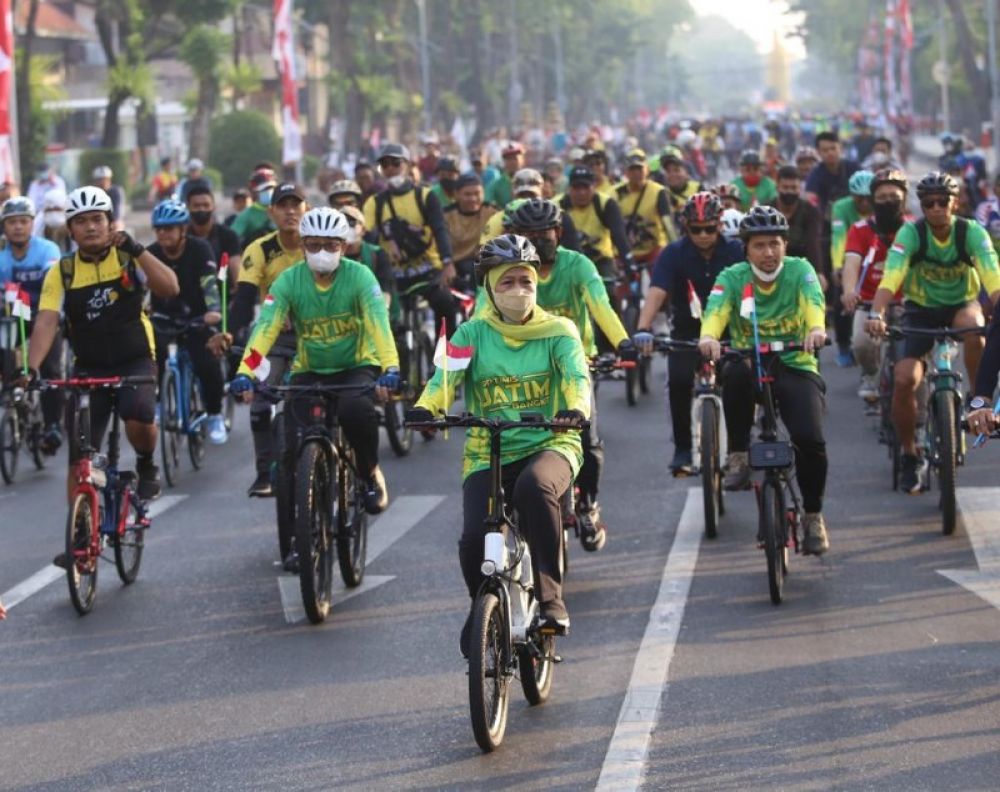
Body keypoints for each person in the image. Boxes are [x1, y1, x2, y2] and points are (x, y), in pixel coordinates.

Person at [411, 234, 591, 650]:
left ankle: (550, 601)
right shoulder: (470, 332)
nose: (518, 291)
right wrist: (426, 408)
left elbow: (577, 378)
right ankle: (482, 609)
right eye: (507, 282)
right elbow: (444, 379)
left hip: (552, 443)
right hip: (487, 450)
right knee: (474, 540)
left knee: (534, 486)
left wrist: (576, 410)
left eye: (525, 281)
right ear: (490, 287)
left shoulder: (559, 330)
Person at [230, 207, 400, 571]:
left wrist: (391, 367)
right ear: (303, 246)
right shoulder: (289, 282)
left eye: (330, 245)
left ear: (344, 245)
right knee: (290, 452)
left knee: (357, 413)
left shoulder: (360, 277)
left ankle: (370, 474)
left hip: (357, 365)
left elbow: (379, 324)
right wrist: (246, 371)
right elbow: (266, 327)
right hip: (309, 369)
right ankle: (298, 541)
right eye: (314, 245)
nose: (322, 251)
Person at [25, 187, 180, 518]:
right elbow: (46, 321)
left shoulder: (128, 257)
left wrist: (137, 249)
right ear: (71, 230)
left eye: (97, 219)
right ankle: (80, 537)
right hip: (89, 368)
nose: (91, 227)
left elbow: (170, 286)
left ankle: (145, 463)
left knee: (137, 415)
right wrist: (32, 368)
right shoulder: (62, 271)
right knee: (79, 455)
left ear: (111, 224)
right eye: (81, 222)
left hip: (135, 360)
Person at [505, 198, 636, 549]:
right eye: (528, 235)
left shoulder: (578, 265)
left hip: (575, 367)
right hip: (521, 370)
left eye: (544, 233)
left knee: (588, 441)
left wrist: (621, 341)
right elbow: (480, 315)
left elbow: (600, 305)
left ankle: (588, 502)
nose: (537, 240)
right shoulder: (506, 271)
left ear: (559, 233)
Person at [698, 206, 830, 554]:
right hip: (750, 361)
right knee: (735, 372)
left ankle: (813, 515)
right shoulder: (732, 276)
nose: (768, 253)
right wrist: (709, 337)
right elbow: (715, 311)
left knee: (810, 440)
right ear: (746, 249)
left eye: (775, 244)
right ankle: (739, 453)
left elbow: (814, 302)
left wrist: (816, 328)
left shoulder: (801, 270)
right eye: (759, 245)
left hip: (795, 362)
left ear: (785, 245)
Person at [866, 171, 1000, 494]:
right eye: (929, 203)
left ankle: (974, 404)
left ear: (955, 204)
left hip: (961, 306)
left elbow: (991, 274)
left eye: (944, 202)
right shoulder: (911, 234)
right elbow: (892, 276)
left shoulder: (971, 232)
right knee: (904, 379)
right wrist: (876, 312)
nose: (937, 208)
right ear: (922, 206)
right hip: (920, 310)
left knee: (976, 333)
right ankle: (911, 454)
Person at [634, 192, 744, 474]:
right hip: (686, 329)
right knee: (680, 382)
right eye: (696, 230)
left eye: (710, 228)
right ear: (686, 227)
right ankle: (683, 447)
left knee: (737, 381)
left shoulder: (736, 251)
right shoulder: (673, 253)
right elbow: (657, 291)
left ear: (720, 224)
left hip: (730, 330)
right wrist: (643, 328)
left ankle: (738, 447)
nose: (704, 235)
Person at [210, 182, 307, 496]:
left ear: (306, 210)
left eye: (296, 204)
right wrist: (229, 332)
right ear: (271, 212)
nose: (290, 211)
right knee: (260, 403)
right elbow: (244, 299)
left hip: (318, 339)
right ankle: (265, 472)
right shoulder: (260, 249)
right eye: (283, 205)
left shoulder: (318, 243)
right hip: (272, 339)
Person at [147, 199, 228, 445]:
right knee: (150, 358)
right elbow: (139, 286)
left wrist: (213, 310)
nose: (163, 234)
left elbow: (209, 284)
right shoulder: (151, 253)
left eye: (169, 228)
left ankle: (214, 414)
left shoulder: (200, 249)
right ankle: (159, 403)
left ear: (183, 230)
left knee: (207, 364)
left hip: (198, 317)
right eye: (159, 229)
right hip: (162, 316)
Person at [362, 142, 458, 336]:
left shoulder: (425, 196)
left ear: (408, 165)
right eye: (384, 165)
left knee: (446, 305)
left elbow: (440, 229)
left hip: (428, 272)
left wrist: (447, 262)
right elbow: (368, 237)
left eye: (395, 163)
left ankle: (447, 361)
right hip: (393, 276)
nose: (390, 169)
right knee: (387, 323)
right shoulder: (374, 203)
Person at [840, 168, 910, 402]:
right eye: (881, 198)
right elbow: (851, 263)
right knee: (861, 344)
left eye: (894, 197)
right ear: (872, 201)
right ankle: (870, 374)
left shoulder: (914, 229)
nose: (888, 202)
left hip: (909, 302)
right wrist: (849, 291)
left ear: (904, 199)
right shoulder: (860, 230)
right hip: (868, 302)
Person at [0, 197, 64, 451]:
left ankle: (52, 425)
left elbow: (52, 284)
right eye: (12, 222)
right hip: (17, 313)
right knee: (4, 350)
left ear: (32, 224)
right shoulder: (2, 259)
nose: (18, 227)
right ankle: (11, 394)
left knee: (50, 368)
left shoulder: (48, 250)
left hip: (46, 313)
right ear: (4, 227)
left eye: (23, 222)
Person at [558, 165, 633, 309]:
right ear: (569, 189)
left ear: (594, 187)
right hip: (568, 262)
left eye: (586, 187)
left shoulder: (606, 204)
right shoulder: (557, 206)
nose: (581, 193)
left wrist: (629, 262)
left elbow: (619, 236)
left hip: (601, 261)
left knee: (609, 297)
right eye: (576, 188)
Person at [615, 148, 672, 268]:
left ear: (646, 169)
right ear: (626, 172)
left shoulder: (658, 191)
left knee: (662, 283)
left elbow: (668, 224)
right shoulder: (614, 193)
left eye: (639, 169)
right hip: (625, 252)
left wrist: (676, 249)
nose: (636, 173)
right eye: (632, 169)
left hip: (654, 250)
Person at [443, 173, 497, 292]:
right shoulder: (446, 216)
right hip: (453, 267)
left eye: (477, 193)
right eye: (467, 194)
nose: (473, 199)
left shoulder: (492, 212)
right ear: (457, 195)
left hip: (482, 265)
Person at [770, 165, 823, 278]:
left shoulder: (810, 211)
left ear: (800, 189)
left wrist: (818, 272)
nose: (789, 191)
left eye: (794, 188)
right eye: (785, 187)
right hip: (771, 263)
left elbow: (813, 243)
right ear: (777, 187)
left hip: (801, 265)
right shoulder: (767, 210)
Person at [186, 182, 241, 285]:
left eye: (205, 205)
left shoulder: (229, 236)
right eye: (196, 206)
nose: (201, 209)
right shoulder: (182, 237)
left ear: (213, 206)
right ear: (188, 207)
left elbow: (236, 268)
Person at [340, 205, 394, 301]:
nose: (346, 227)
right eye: (340, 224)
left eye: (352, 223)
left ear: (363, 230)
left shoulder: (377, 254)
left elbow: (385, 289)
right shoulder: (331, 257)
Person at [655, 145, 702, 241]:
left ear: (686, 172)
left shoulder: (698, 188)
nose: (672, 174)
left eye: (677, 170)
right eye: (668, 171)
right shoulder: (661, 194)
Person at [231, 168, 278, 247]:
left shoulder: (282, 210)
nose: (269, 191)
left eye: (271, 188)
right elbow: (232, 238)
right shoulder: (246, 215)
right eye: (264, 189)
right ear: (255, 191)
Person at [485, 141, 525, 207]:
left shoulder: (532, 181)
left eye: (515, 158)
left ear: (522, 160)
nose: (512, 162)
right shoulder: (495, 184)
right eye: (508, 159)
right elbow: (487, 202)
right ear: (504, 161)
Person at [35, 189, 73, 254]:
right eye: (49, 210)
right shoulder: (37, 227)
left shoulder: (74, 228)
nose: (56, 232)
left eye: (57, 209)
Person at [91, 166, 126, 230]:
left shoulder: (116, 191)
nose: (102, 182)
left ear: (109, 180)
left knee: (117, 225)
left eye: (104, 179)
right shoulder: (93, 193)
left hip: (113, 219)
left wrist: (114, 220)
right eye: (99, 180)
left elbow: (118, 209)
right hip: (97, 220)